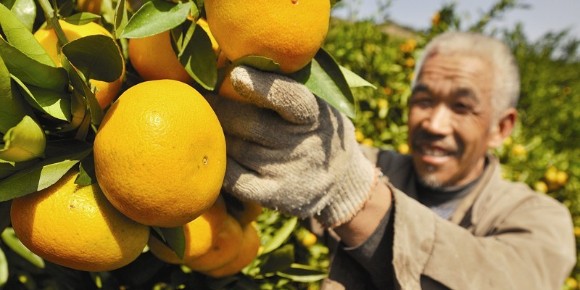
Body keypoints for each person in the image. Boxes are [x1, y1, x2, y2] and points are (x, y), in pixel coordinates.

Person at [206, 31, 576, 289]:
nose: (434, 123)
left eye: (462, 107)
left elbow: (504, 281)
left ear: (501, 127)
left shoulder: (539, 217)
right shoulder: (370, 162)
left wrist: (353, 195)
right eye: (424, 100)